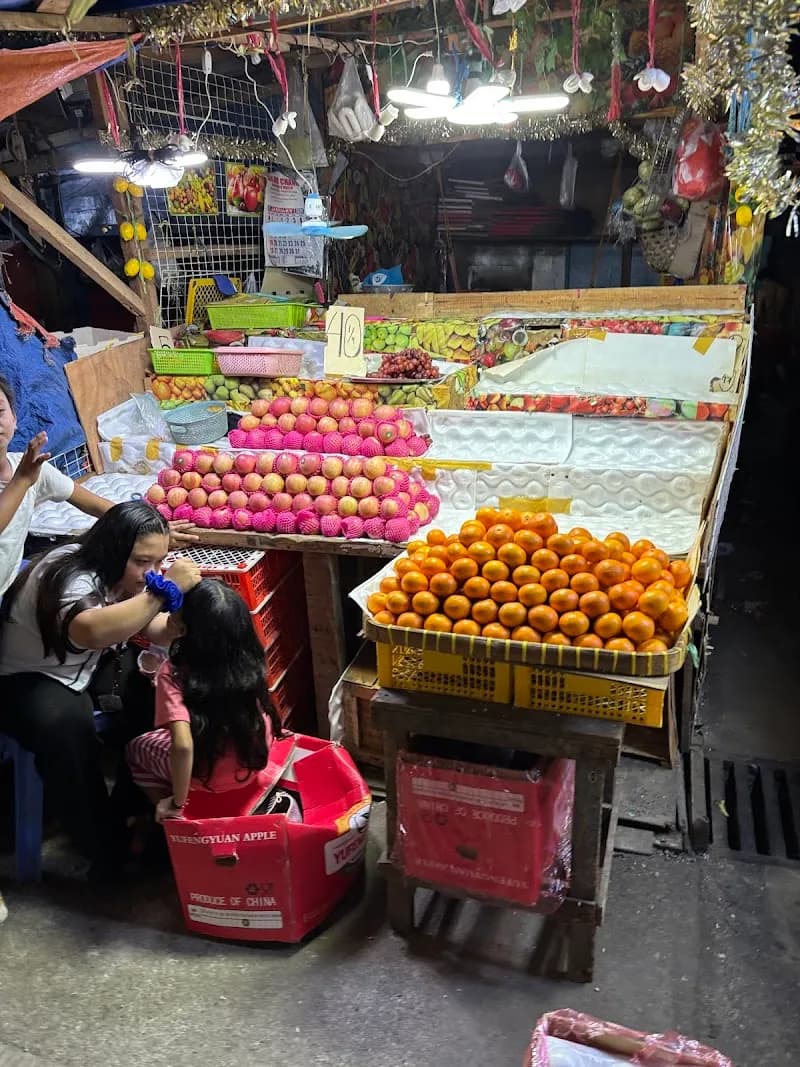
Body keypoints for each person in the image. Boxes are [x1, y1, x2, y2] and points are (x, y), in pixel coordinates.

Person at [0, 501, 201, 872]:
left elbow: (143, 624)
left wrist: (175, 626)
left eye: (158, 562)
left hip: (84, 664)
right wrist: (162, 592)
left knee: (152, 695)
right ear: (112, 549)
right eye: (142, 562)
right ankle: (104, 847)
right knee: (67, 732)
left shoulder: (122, 575)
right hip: (29, 676)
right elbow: (91, 630)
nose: (150, 573)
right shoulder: (69, 577)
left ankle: (133, 809)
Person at [0, 375, 196, 600]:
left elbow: (96, 505)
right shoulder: (26, 473)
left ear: (14, 418)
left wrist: (149, 531)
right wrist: (22, 480)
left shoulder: (30, 468)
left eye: (0, 412)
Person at [126, 580, 281, 823]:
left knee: (137, 747)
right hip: (254, 763)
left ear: (184, 630)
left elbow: (183, 745)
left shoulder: (174, 672)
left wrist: (177, 799)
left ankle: (169, 814)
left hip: (205, 777)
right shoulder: (250, 659)